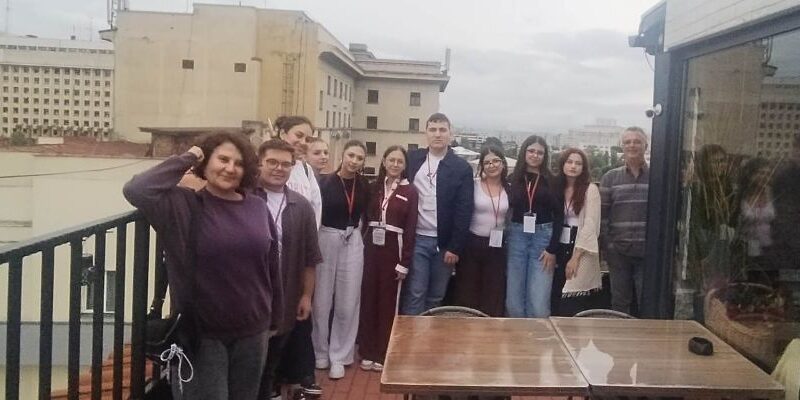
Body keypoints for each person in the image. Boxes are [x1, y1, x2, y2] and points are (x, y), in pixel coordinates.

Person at [123, 132, 282, 400]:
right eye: (223, 159)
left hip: (254, 331)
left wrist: (275, 318)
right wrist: (191, 155)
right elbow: (137, 189)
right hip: (202, 334)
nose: (230, 168)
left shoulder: (257, 207)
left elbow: (271, 264)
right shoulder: (183, 205)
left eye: (239, 163)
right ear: (205, 163)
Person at [255, 139, 323, 400]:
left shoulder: (301, 206)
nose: (278, 168)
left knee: (272, 361)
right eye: (272, 162)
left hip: (285, 297)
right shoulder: (244, 197)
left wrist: (306, 296)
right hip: (250, 297)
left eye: (285, 164)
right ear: (259, 163)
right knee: (249, 365)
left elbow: (310, 257)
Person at [402, 113, 474, 315]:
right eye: (432, 129)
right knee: (415, 292)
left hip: (444, 244)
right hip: (417, 239)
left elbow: (464, 210)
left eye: (442, 130)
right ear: (425, 133)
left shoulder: (461, 168)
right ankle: (411, 334)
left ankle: (429, 334)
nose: (437, 134)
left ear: (451, 134)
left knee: (436, 296)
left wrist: (455, 247)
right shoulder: (412, 160)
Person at [312, 140, 370, 380]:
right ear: (343, 155)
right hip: (326, 237)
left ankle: (340, 355)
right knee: (322, 300)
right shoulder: (324, 182)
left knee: (348, 302)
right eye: (351, 155)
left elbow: (367, 215)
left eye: (359, 158)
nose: (354, 161)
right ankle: (320, 351)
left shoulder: (364, 185)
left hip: (352, 239)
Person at [358, 145, 418, 371]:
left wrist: (405, 262)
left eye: (399, 161)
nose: (395, 164)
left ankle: (384, 352)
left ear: (405, 166)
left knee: (388, 301)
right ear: (383, 161)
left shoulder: (410, 191)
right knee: (368, 297)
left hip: (394, 248)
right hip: (371, 247)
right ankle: (367, 350)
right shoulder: (374, 187)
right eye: (391, 160)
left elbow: (411, 228)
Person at [505, 135, 563, 318]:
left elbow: (559, 215)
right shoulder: (512, 178)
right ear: (524, 152)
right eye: (531, 151)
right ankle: (517, 335)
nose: (535, 155)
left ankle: (538, 335)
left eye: (540, 152)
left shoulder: (552, 181)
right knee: (514, 302)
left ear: (545, 156)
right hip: (517, 236)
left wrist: (552, 248)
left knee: (538, 303)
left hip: (543, 239)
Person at [451, 145, 509, 317]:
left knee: (493, 293)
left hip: (497, 246)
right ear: (482, 166)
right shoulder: (473, 185)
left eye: (496, 161)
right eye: (487, 162)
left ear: (503, 163)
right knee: (467, 291)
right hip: (471, 243)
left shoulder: (510, 188)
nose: (492, 165)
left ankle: (489, 330)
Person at [600, 126, 650, 315]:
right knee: (620, 303)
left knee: (647, 302)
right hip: (618, 253)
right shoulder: (610, 178)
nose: (632, 145)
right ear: (622, 146)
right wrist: (609, 246)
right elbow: (602, 216)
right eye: (627, 142)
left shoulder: (657, 177)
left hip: (648, 254)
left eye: (637, 141)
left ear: (646, 146)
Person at [553, 148, 602, 316]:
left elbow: (590, 224)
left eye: (578, 163)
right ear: (562, 164)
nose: (573, 166)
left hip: (580, 245)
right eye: (569, 162)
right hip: (560, 243)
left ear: (584, 168)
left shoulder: (590, 190)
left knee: (572, 297)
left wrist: (575, 258)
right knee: (556, 294)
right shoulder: (558, 188)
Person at [273, 116, 322, 227]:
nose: (303, 142)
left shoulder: (306, 170)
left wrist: (311, 233)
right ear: (282, 134)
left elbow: (316, 207)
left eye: (308, 139)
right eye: (298, 135)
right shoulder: (266, 166)